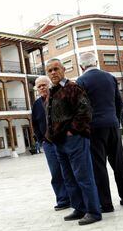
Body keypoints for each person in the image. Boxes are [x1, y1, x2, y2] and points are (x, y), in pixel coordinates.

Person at [46, 58, 101, 226]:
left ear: (63, 69)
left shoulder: (72, 87)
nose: (53, 72)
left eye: (56, 69)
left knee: (83, 176)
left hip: (74, 140)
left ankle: (93, 211)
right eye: (50, 70)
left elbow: (85, 111)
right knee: (69, 177)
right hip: (59, 142)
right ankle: (79, 208)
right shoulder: (53, 90)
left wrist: (72, 131)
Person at [77, 52, 123, 212]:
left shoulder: (81, 81)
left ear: (82, 66)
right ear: (96, 62)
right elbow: (119, 102)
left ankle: (106, 204)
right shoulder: (110, 77)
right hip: (113, 125)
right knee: (119, 163)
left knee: (99, 166)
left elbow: (82, 108)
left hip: (95, 128)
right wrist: (114, 119)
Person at [32, 76, 70, 211]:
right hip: (48, 144)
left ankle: (75, 197)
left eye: (44, 85)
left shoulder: (59, 97)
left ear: (50, 85)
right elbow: (35, 124)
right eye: (39, 86)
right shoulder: (36, 104)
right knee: (55, 172)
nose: (42, 88)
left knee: (68, 170)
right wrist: (41, 139)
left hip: (63, 141)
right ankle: (63, 200)